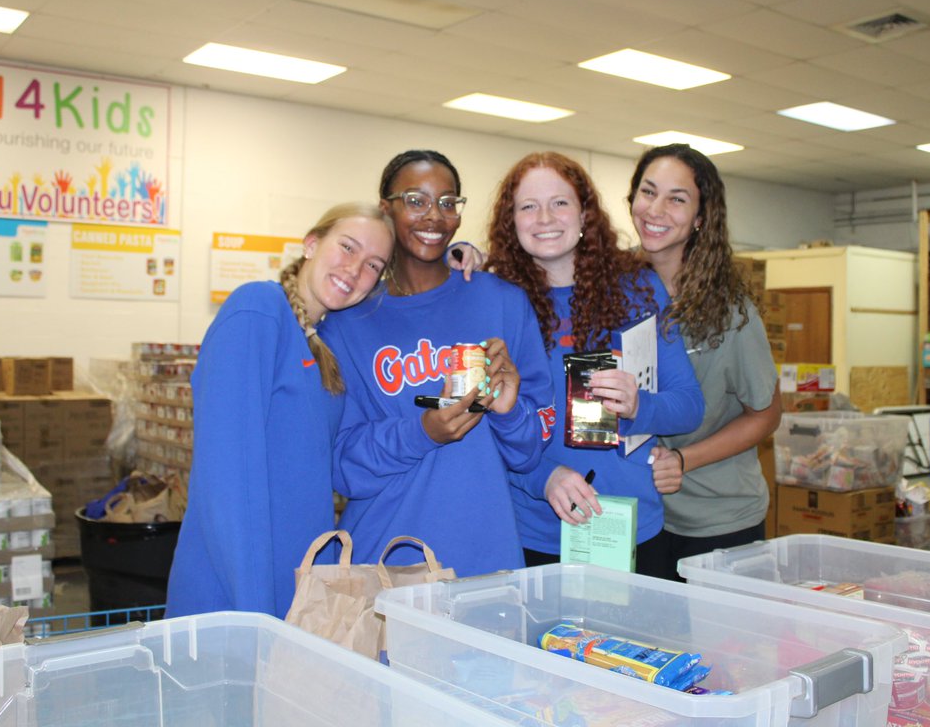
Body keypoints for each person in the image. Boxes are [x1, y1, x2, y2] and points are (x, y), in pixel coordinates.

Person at [322, 149, 554, 575]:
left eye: (448, 203)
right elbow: (339, 467)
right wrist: (422, 431)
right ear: (385, 207)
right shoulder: (345, 324)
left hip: (485, 556)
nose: (434, 216)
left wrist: (508, 413)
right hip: (384, 563)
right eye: (415, 200)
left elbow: (530, 449)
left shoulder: (502, 303)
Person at [165, 202, 394, 619]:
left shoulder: (321, 342)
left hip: (296, 588)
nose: (354, 269)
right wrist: (255, 611)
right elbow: (229, 479)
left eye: (373, 265)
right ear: (311, 244)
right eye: (347, 247)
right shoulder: (257, 310)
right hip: (236, 594)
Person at [484, 151, 704, 577]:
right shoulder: (494, 303)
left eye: (560, 202)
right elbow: (480, 429)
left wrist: (641, 406)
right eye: (528, 206)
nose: (545, 217)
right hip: (535, 535)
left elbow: (690, 404)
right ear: (511, 221)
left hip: (632, 530)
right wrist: (542, 478)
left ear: (585, 213)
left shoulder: (638, 289)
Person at [628, 143, 781, 580]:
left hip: (717, 518)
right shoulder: (614, 292)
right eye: (647, 192)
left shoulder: (730, 311)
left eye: (677, 198)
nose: (656, 209)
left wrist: (684, 459)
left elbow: (767, 414)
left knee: (719, 647)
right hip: (641, 514)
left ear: (700, 218)